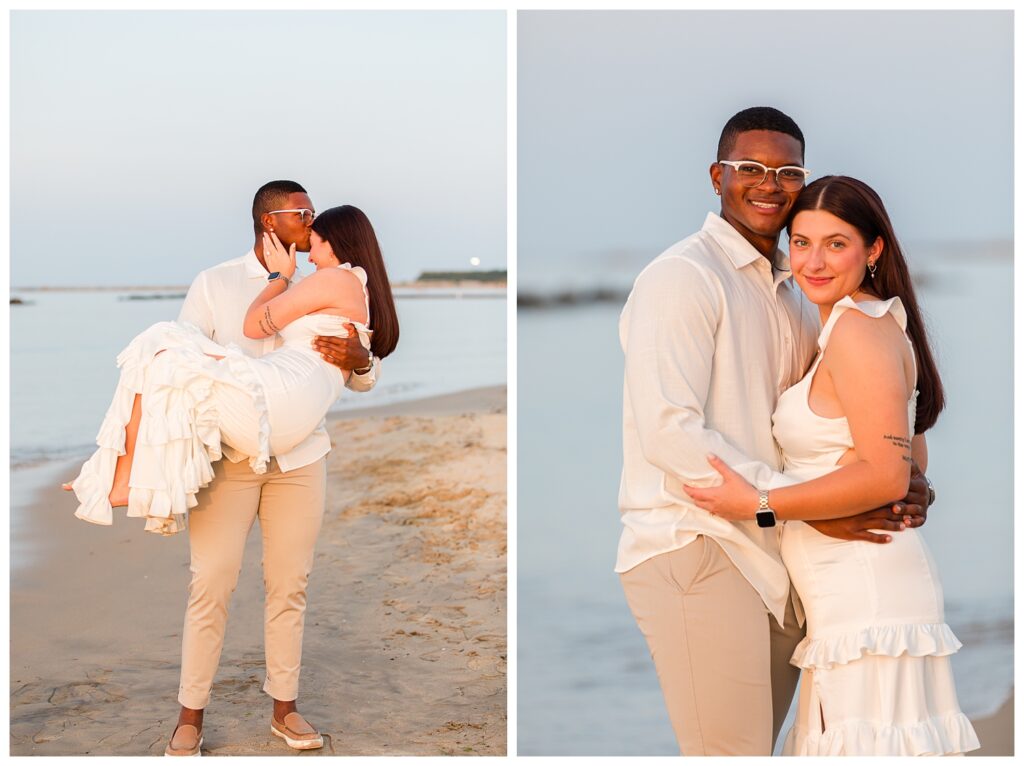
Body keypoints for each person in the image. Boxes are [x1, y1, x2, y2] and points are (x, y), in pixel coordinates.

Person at [616, 108, 933, 756]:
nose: (769, 184)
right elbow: (669, 431)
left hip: (781, 556)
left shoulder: (798, 295)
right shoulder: (684, 277)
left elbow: (853, 421)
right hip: (698, 543)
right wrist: (790, 507)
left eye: (788, 171)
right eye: (750, 169)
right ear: (717, 177)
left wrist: (903, 482)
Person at [66, 183, 396, 756]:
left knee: (289, 585)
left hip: (300, 457)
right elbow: (182, 373)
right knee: (210, 584)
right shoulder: (215, 283)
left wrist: (362, 360)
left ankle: (285, 711)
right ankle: (190, 716)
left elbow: (360, 369)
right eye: (302, 213)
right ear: (270, 220)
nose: (312, 221)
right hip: (230, 459)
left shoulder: (333, 277)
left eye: (315, 215)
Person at [682, 176, 978, 756]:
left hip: (865, 591)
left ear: (873, 251)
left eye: (836, 244)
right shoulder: (860, 323)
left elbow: (890, 474)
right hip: (852, 590)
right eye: (801, 242)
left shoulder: (858, 331)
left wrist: (759, 505)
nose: (813, 262)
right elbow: (911, 461)